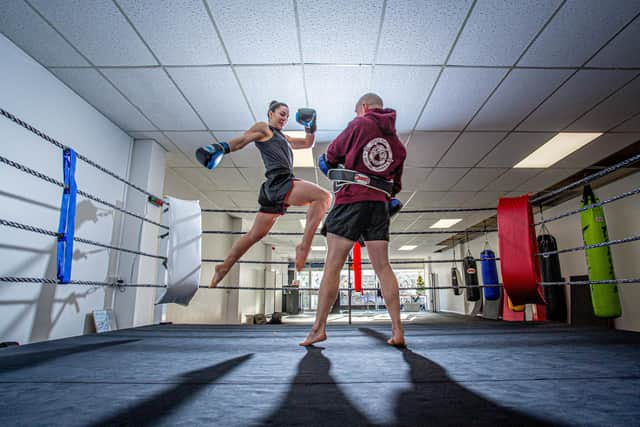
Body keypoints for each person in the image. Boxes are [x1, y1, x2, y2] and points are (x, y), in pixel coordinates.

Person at [300, 93, 407, 347]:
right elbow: (396, 187)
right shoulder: (398, 145)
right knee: (383, 268)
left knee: (333, 266)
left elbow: (331, 156)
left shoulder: (359, 124)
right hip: (379, 206)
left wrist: (328, 165)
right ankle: (398, 332)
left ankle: (318, 329)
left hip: (351, 201)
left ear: (364, 107)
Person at [196, 101, 332, 287]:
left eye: (287, 115)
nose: (284, 118)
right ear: (270, 113)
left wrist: (310, 126)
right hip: (280, 181)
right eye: (281, 114)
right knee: (324, 197)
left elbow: (308, 143)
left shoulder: (283, 137)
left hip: (274, 189)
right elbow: (243, 140)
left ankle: (224, 266)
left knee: (254, 235)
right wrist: (221, 148)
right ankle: (303, 246)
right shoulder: (264, 128)